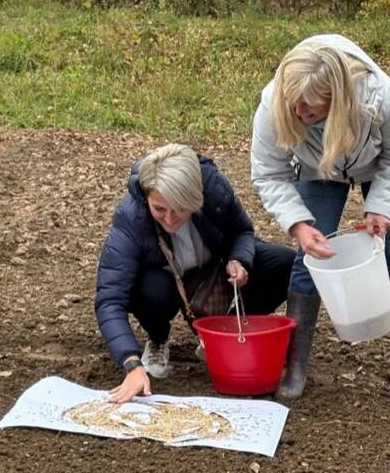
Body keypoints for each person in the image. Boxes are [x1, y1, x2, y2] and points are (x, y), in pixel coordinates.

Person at [251, 34, 390, 400]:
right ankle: (295, 370)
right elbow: (268, 173)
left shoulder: (381, 97)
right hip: (317, 170)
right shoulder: (272, 105)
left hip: (382, 166)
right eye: (294, 106)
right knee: (309, 261)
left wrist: (381, 209)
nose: (299, 115)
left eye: (310, 109)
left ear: (336, 99)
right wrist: (299, 224)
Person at [96, 144, 294, 404]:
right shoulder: (131, 217)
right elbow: (110, 298)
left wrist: (238, 259)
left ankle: (225, 333)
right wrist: (131, 363)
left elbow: (242, 231)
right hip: (165, 280)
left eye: (179, 209)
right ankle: (157, 340)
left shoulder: (213, 188)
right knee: (147, 289)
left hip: (214, 270)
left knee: (285, 262)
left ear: (195, 197)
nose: (169, 219)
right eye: (159, 209)